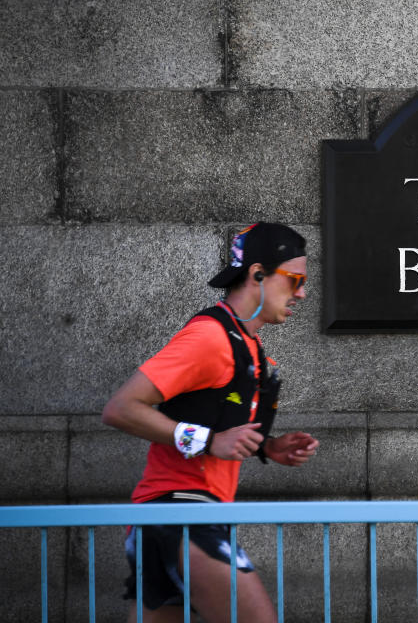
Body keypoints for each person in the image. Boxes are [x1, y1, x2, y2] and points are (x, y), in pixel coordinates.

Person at [102, 222, 319, 623]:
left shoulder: (248, 346)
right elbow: (121, 408)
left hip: (174, 518)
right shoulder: (210, 338)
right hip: (180, 514)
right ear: (257, 274)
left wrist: (267, 447)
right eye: (295, 280)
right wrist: (207, 440)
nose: (303, 294)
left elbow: (215, 426)